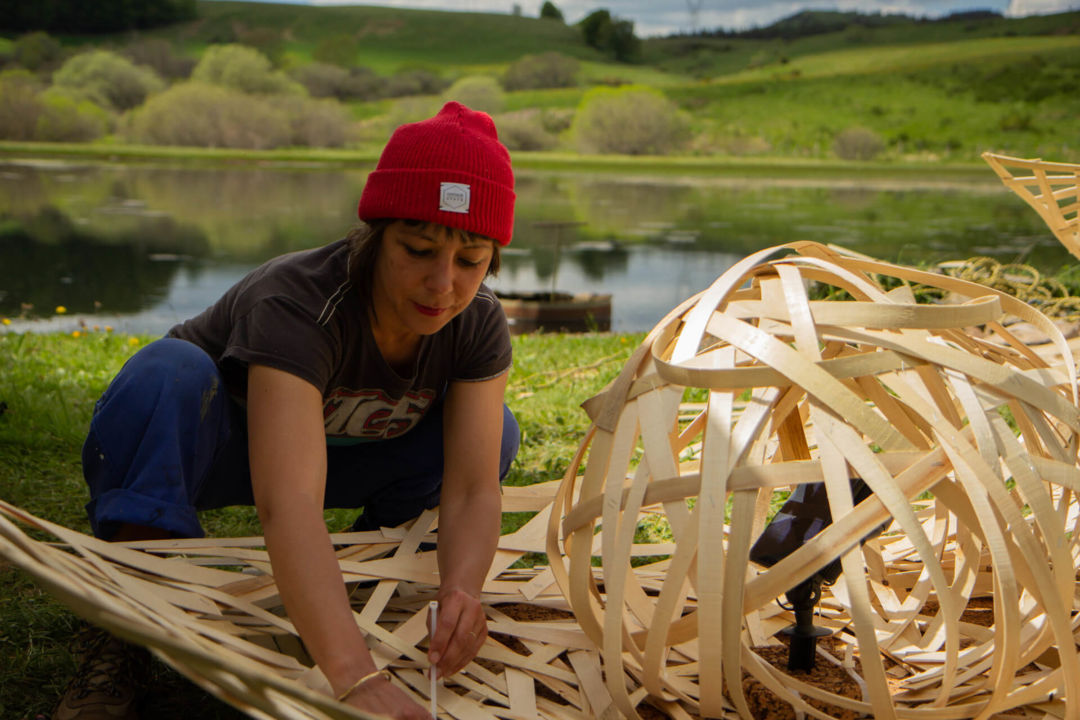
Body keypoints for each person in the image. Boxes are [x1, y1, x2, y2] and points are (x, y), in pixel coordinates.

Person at [55, 101, 520, 720]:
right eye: (417, 249)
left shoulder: (479, 322)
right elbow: (289, 502)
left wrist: (463, 586)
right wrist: (355, 682)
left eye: (470, 260)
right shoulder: (299, 301)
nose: (443, 285)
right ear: (377, 236)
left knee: (496, 436)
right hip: (217, 448)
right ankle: (130, 622)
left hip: (350, 454)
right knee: (164, 373)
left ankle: (359, 583)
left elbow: (469, 489)